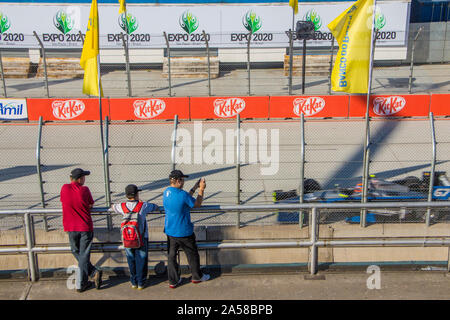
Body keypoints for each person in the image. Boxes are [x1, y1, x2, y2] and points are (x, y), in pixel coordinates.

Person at [163, 170, 210, 289]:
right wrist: (201, 189)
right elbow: (197, 204)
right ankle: (196, 277)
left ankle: (173, 281)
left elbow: (184, 199)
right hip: (184, 231)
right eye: (182, 180)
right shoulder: (182, 195)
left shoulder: (166, 192)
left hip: (170, 231)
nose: (184, 182)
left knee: (172, 257)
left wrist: (194, 188)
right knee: (192, 255)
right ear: (178, 181)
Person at [60, 168, 102, 292]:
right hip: (84, 227)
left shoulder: (64, 188)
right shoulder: (84, 190)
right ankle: (91, 274)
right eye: (84, 177)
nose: (85, 179)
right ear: (80, 179)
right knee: (83, 255)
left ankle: (83, 281)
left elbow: (64, 201)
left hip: (70, 227)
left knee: (75, 251)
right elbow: (90, 205)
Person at [112, 184, 159, 290]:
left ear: (126, 195)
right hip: (141, 237)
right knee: (141, 259)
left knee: (131, 259)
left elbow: (113, 207)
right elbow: (155, 206)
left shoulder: (122, 206)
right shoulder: (143, 206)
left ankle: (133, 282)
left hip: (127, 238)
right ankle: (141, 282)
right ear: (137, 194)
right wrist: (142, 202)